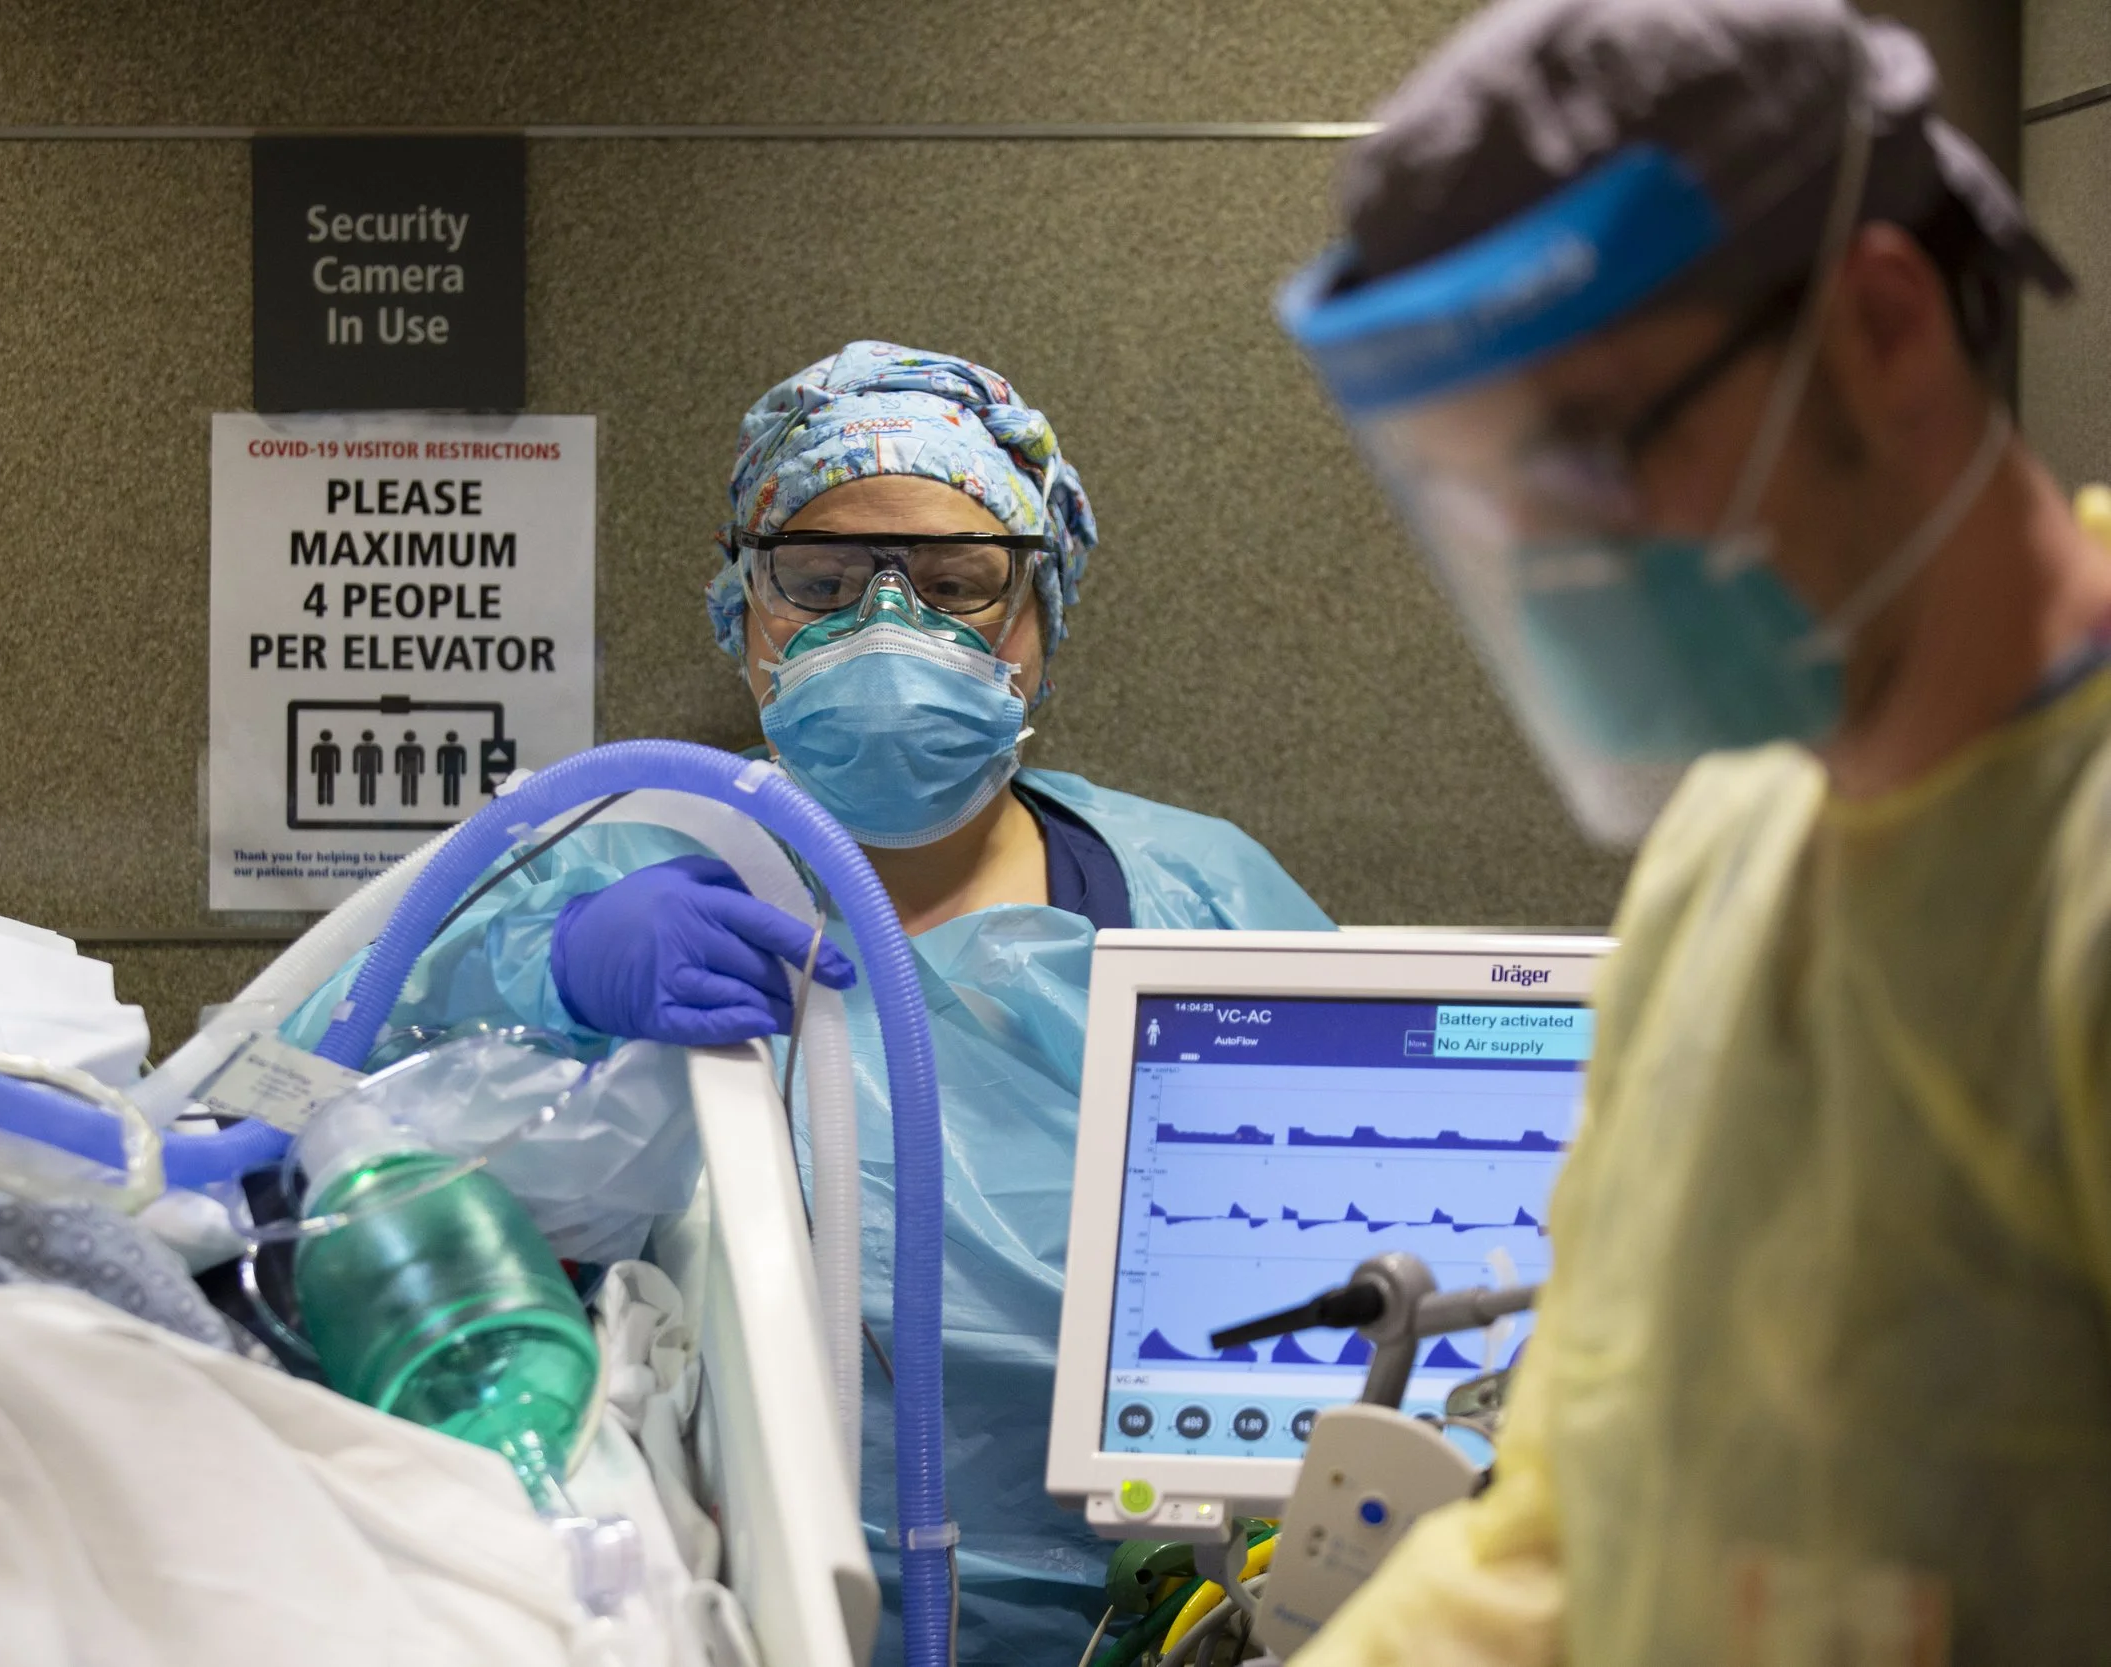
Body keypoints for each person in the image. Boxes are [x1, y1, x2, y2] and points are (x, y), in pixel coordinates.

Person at [1274, 2, 2111, 1662]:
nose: (1547, 554)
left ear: (1880, 323)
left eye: (1588, 452)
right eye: (1489, 489)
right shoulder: (1738, 829)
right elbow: (1569, 1522)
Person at [288, 340, 1332, 1661]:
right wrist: (539, 968)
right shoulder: (603, 856)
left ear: (1043, 613)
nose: (889, 627)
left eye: (957, 583)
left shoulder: (1200, 896)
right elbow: (278, 1114)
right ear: (741, 609)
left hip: (1166, 1610)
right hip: (704, 1603)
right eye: (821, 581)